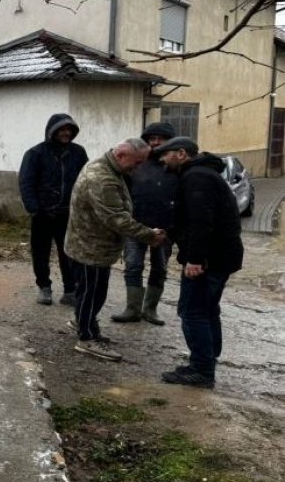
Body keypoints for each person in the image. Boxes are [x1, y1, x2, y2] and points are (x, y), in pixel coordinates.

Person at [64, 138, 166, 362]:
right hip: (91, 248)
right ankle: (86, 338)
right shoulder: (102, 178)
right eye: (137, 162)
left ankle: (86, 324)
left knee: (90, 292)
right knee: (92, 294)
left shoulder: (109, 167)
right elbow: (116, 219)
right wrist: (148, 235)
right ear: (121, 156)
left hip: (91, 245)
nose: (138, 168)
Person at [155, 137, 244, 388]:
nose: (162, 159)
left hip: (209, 259)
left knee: (192, 311)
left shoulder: (196, 178)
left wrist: (195, 259)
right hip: (221, 257)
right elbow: (191, 219)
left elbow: (201, 222)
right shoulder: (204, 174)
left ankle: (202, 371)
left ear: (181, 153)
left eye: (165, 154)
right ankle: (206, 361)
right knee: (207, 309)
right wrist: (168, 233)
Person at [111, 122, 178, 325]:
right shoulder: (137, 163)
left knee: (160, 268)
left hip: (166, 228)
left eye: (160, 138)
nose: (155, 142)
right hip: (136, 225)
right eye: (151, 138)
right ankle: (132, 309)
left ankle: (150, 310)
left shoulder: (175, 166)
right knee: (133, 265)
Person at [19, 113, 89, 306]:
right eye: (62, 130)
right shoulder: (35, 153)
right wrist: (34, 209)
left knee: (69, 253)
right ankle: (44, 287)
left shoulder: (78, 153)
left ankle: (70, 290)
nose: (66, 133)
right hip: (43, 213)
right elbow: (26, 183)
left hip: (68, 213)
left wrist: (82, 206)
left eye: (69, 130)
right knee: (40, 252)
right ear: (52, 131)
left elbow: (85, 180)